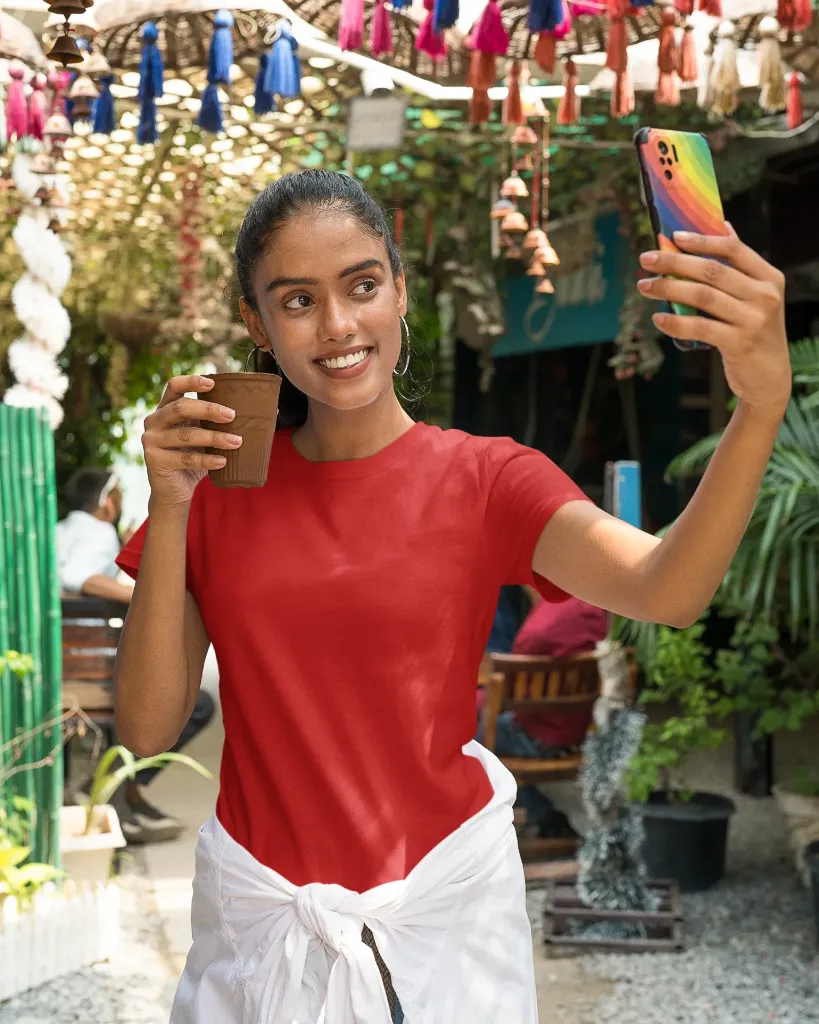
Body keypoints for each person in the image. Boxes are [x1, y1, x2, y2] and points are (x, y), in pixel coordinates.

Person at [113, 171, 791, 1024]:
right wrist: (170, 501)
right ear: (256, 324)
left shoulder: (486, 478)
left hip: (442, 917)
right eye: (296, 301)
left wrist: (759, 406)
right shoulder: (214, 492)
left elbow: (668, 589)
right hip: (261, 920)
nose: (337, 326)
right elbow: (145, 730)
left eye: (361, 286)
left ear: (399, 291)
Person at [57, 468, 215, 846]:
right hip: (90, 676)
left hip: (62, 664)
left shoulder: (61, 530)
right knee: (196, 705)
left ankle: (126, 794)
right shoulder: (96, 531)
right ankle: (125, 789)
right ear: (106, 503)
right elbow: (77, 575)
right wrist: (147, 596)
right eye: (120, 496)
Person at [480, 594, 609, 840]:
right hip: (576, 734)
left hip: (536, 738)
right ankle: (543, 815)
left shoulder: (541, 628)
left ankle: (539, 814)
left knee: (460, 735)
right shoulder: (591, 611)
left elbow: (511, 690)